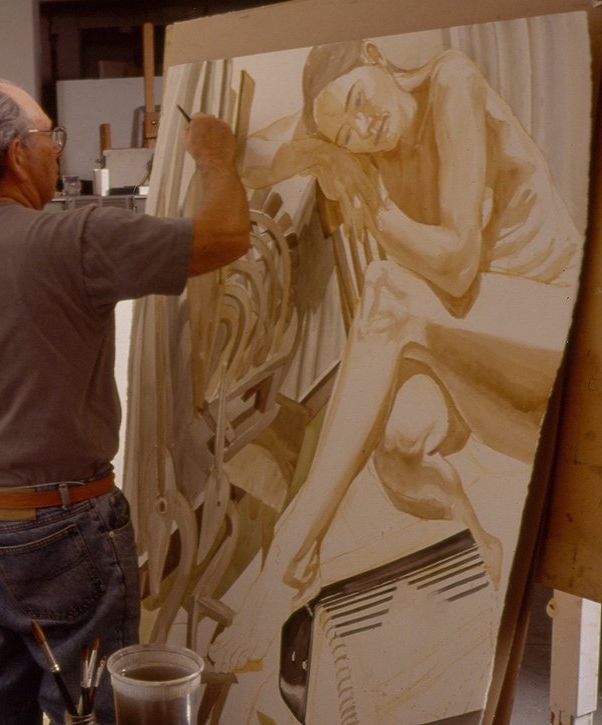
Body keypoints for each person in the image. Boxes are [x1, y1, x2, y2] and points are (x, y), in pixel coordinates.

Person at [0, 76, 250, 724]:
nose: (58, 152)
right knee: (88, 705)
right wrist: (217, 156)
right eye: (52, 137)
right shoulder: (73, 241)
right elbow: (225, 236)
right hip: (65, 525)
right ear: (17, 154)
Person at [208, 39, 582, 673]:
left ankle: (286, 568)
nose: (362, 127)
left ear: (376, 57)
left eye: (357, 100)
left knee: (385, 290)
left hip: (551, 327)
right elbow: (247, 158)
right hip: (473, 339)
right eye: (345, 130)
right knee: (397, 439)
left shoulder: (452, 84)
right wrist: (321, 149)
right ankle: (484, 542)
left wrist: (367, 199)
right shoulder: (348, 131)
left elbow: (458, 266)